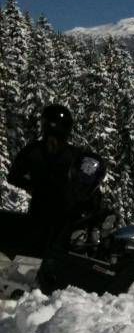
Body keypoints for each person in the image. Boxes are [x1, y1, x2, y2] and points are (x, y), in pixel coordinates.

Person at [0, 104, 105, 260]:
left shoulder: (44, 150)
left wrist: (32, 186)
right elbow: (14, 176)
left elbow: (14, 176)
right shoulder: (61, 152)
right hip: (54, 211)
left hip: (58, 211)